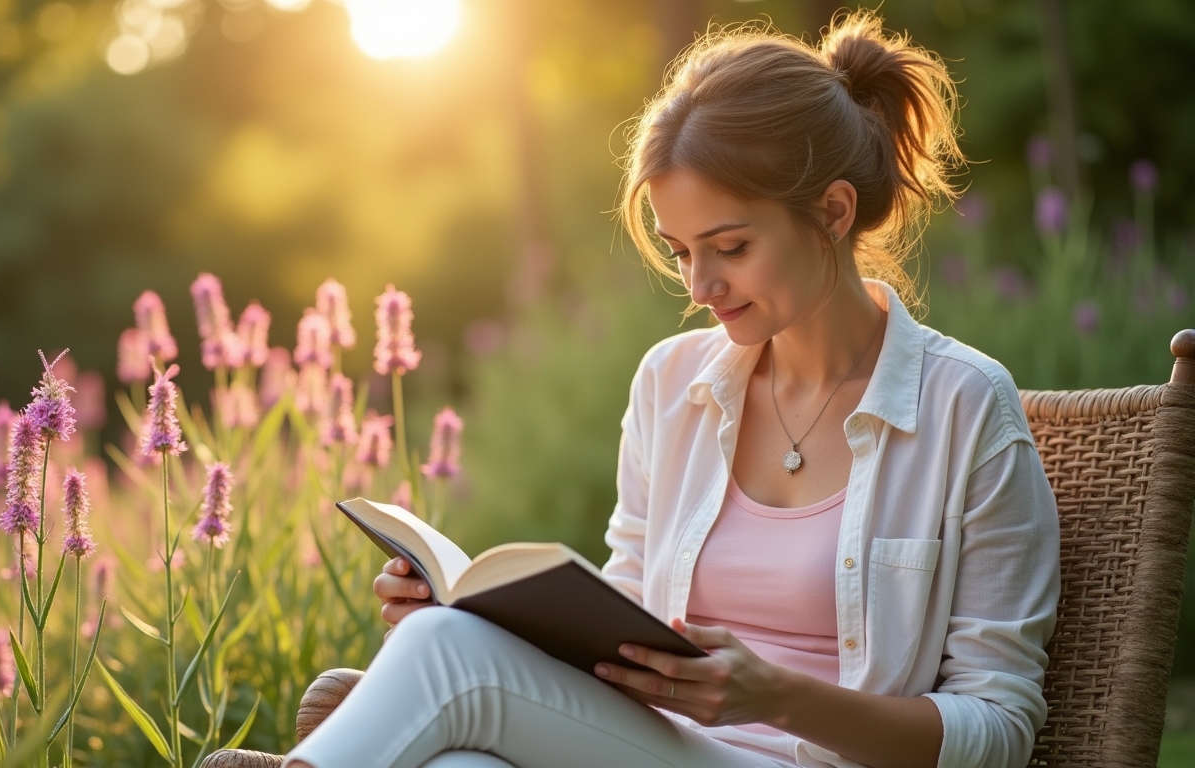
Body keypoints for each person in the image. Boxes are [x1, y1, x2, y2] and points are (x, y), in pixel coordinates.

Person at [286, 11, 1060, 768]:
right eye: (680, 251)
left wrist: (777, 699)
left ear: (832, 211)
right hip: (655, 747)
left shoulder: (965, 408)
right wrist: (470, 609)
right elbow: (616, 634)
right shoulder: (672, 383)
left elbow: (998, 730)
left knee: (442, 654)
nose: (700, 285)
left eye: (730, 246)